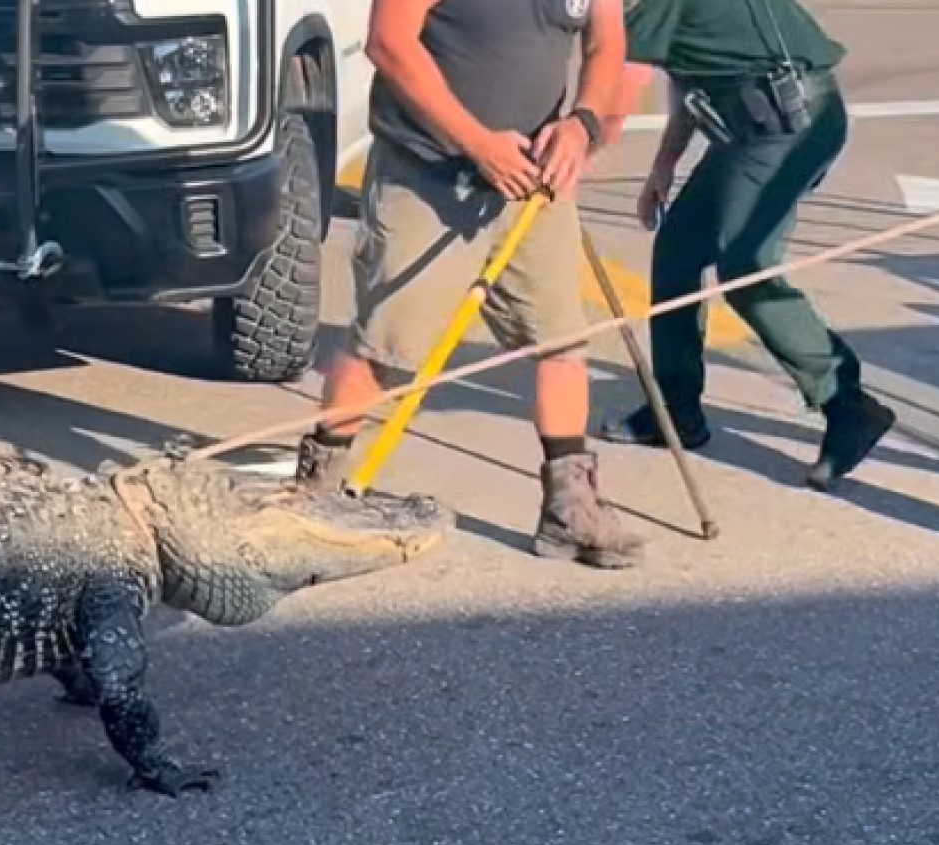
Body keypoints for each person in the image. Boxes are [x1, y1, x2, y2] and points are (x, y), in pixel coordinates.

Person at [292, 0, 645, 570]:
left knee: (560, 342)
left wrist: (581, 125)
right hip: (430, 174)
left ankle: (569, 508)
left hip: (532, 178)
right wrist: (476, 143)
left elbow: (606, 43)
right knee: (385, 346)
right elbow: (390, 42)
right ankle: (316, 496)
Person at [592, 0, 897, 493]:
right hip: (747, 125)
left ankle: (848, 406)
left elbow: (612, 78)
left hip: (788, 127)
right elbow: (691, 75)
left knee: (746, 268)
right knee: (677, 252)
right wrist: (664, 165)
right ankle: (677, 410)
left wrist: (573, 144)